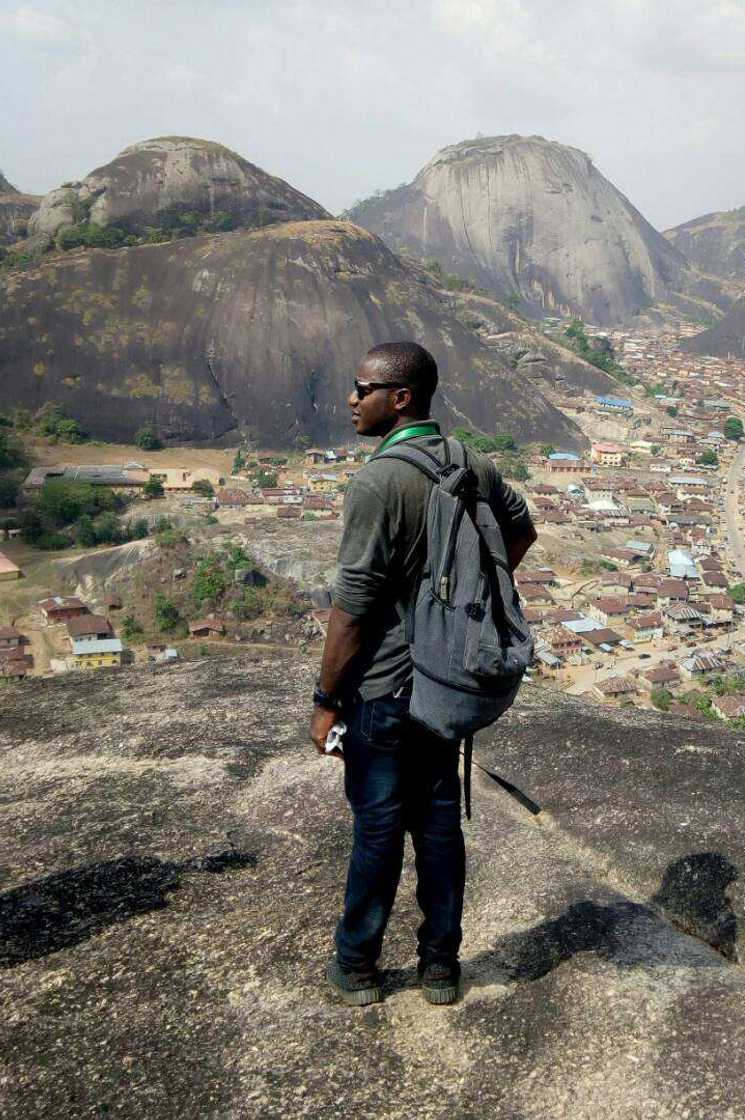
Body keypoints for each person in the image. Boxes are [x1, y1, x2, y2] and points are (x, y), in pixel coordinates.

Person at [310, 341, 536, 1007]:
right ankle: (441, 968)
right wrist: (463, 611)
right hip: (447, 682)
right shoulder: (471, 462)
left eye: (363, 389)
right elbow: (520, 532)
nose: (352, 399)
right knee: (438, 827)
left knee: (378, 829)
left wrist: (326, 698)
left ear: (400, 397)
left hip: (382, 690)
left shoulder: (378, 482)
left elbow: (352, 609)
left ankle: (357, 967)